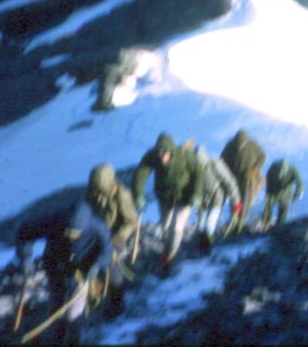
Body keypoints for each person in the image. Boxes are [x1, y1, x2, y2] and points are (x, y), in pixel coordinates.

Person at [15, 199, 112, 344]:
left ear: (85, 229)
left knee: (74, 312)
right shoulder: (53, 221)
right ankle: (56, 338)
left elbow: (107, 250)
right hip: (55, 266)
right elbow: (24, 231)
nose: (72, 236)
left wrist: (97, 265)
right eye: (68, 232)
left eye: (76, 234)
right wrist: (25, 258)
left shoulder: (98, 227)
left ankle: (73, 340)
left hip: (83, 270)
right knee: (56, 304)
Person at [132, 132, 203, 264]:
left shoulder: (185, 156)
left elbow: (198, 173)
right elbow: (140, 175)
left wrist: (197, 194)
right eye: (159, 153)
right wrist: (138, 196)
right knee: (165, 225)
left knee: (176, 228)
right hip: (164, 196)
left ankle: (168, 258)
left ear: (171, 151)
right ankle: (167, 245)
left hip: (184, 196)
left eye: (165, 153)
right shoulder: (151, 156)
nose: (162, 156)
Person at [86, 162, 139, 317]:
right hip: (98, 232)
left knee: (113, 265)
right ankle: (96, 294)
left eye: (98, 186)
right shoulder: (92, 192)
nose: (96, 190)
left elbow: (131, 222)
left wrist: (118, 237)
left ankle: (117, 302)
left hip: (117, 234)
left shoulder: (122, 195)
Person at [194, 145, 242, 251]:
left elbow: (230, 182)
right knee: (200, 224)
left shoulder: (215, 164)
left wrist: (236, 202)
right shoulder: (193, 169)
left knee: (210, 223)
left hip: (217, 197)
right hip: (202, 200)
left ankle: (208, 247)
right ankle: (201, 246)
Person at [220, 129, 266, 229]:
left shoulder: (253, 145)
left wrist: (256, 168)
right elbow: (222, 159)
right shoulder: (230, 145)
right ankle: (234, 218)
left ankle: (241, 218)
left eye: (242, 144)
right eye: (238, 144)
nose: (240, 146)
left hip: (249, 177)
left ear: (246, 141)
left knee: (246, 198)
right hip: (234, 177)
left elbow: (262, 156)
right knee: (235, 198)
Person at [262, 159, 304, 229]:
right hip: (273, 191)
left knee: (283, 209)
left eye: (283, 172)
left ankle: (279, 227)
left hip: (286, 192)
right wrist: (268, 190)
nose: (281, 174)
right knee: (268, 207)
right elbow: (268, 176)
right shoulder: (274, 167)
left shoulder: (293, 169)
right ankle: (265, 224)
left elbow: (300, 183)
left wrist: (297, 193)